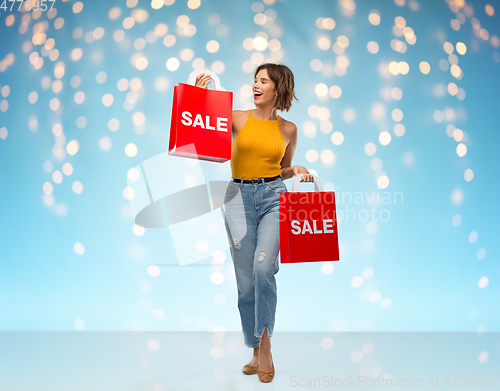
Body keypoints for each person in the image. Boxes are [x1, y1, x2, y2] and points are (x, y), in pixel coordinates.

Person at [195, 63, 314, 383]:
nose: (256, 85)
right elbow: (204, 135)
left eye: (264, 81)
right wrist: (204, 97)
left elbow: (283, 168)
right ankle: (254, 348)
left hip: (274, 196)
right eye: (255, 80)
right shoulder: (236, 118)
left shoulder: (289, 129)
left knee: (264, 268)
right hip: (237, 197)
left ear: (279, 89)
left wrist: (297, 169)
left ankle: (266, 348)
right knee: (245, 281)